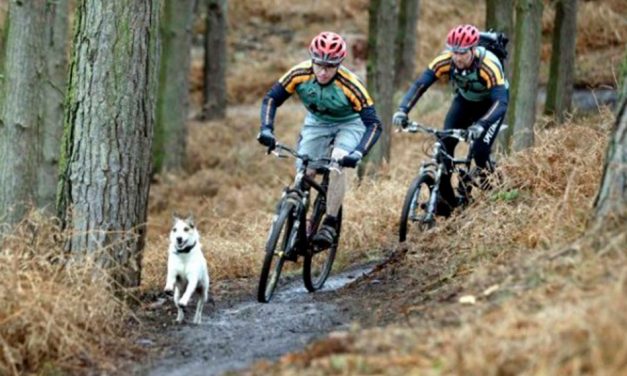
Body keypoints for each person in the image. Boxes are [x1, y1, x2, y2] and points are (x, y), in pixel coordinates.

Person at [257, 31, 383, 248]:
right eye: (319, 65)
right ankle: (299, 219)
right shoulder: (299, 73)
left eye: (330, 66)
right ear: (312, 60)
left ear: (340, 64)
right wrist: (267, 129)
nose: (323, 72)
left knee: (338, 160)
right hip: (317, 122)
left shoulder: (351, 84)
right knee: (305, 169)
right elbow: (271, 98)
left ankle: (330, 222)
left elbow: (374, 124)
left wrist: (358, 153)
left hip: (350, 122)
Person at [393, 24, 509, 216]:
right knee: (443, 149)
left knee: (480, 153)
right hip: (464, 102)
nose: (457, 57)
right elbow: (420, 85)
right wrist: (402, 110)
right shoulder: (446, 61)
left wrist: (481, 124)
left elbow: (501, 102)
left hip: (491, 106)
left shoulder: (489, 65)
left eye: (462, 53)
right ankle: (448, 203)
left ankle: (496, 195)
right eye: (454, 51)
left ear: (473, 49)